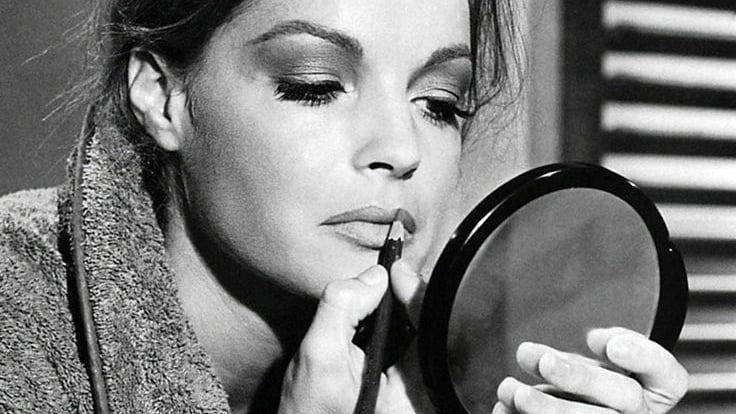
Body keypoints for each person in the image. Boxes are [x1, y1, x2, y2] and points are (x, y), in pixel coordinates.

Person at [0, 0, 688, 413]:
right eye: (315, 85)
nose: (402, 149)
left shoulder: (456, 375)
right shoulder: (16, 320)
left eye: (439, 104)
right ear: (162, 95)